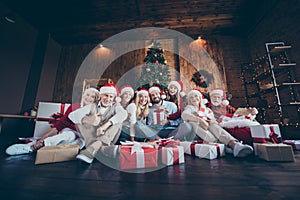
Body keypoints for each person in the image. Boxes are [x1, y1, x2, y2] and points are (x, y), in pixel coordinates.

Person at [5, 87, 100, 155]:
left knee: (78, 144)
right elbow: (61, 124)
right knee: (68, 136)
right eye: (87, 95)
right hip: (70, 131)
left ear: (96, 100)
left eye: (93, 97)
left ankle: (47, 150)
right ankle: (33, 146)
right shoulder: (74, 107)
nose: (89, 98)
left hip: (83, 136)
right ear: (83, 95)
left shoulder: (96, 112)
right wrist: (42, 138)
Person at [181, 89, 254, 158]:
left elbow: (213, 119)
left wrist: (209, 122)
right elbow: (184, 115)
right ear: (189, 100)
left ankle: (235, 145)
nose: (194, 98)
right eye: (191, 97)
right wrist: (200, 120)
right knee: (195, 124)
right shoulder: (190, 107)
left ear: (200, 98)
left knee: (214, 125)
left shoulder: (206, 109)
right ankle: (226, 147)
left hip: (209, 125)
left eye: (196, 96)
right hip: (197, 127)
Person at [68, 83, 127, 164]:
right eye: (106, 95)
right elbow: (72, 116)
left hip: (108, 137)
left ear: (114, 99)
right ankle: (103, 149)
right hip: (92, 136)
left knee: (118, 121)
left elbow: (124, 114)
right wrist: (88, 119)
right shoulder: (92, 106)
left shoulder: (115, 107)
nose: (108, 99)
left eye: (111, 97)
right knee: (80, 121)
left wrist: (105, 125)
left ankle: (93, 149)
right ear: (101, 96)